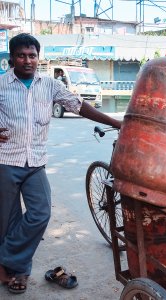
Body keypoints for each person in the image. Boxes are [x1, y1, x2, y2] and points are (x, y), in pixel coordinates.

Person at [0, 33, 121, 294]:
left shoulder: (49, 84)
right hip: (5, 161)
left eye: (32, 55)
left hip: (35, 163)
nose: (27, 60)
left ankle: (6, 259)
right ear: (12, 58)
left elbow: (78, 105)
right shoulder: (1, 85)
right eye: (21, 55)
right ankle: (18, 272)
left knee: (40, 213)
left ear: (38, 57)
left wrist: (115, 122)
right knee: (7, 220)